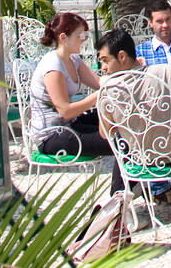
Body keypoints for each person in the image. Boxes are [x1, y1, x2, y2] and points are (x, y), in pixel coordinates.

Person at [96, 27, 171, 208]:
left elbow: (106, 133)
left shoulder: (108, 90)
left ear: (121, 56)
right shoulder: (162, 73)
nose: (103, 68)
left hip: (141, 160)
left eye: (105, 61)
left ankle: (160, 192)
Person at [28, 12, 114, 163]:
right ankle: (120, 186)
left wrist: (126, 72)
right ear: (63, 38)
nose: (84, 40)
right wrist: (97, 96)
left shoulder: (73, 60)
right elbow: (65, 111)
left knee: (122, 126)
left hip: (69, 125)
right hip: (51, 135)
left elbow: (99, 82)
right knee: (120, 142)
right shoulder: (52, 66)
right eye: (80, 36)